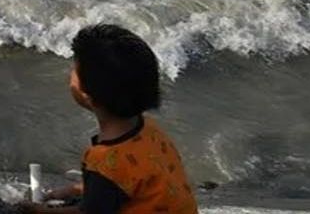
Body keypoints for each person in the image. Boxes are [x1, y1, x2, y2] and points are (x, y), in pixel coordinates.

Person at [20, 24, 197, 214]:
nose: (71, 74)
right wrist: (77, 189)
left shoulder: (105, 161)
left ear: (87, 95)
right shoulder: (149, 130)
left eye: (75, 70)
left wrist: (41, 211)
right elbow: (135, 178)